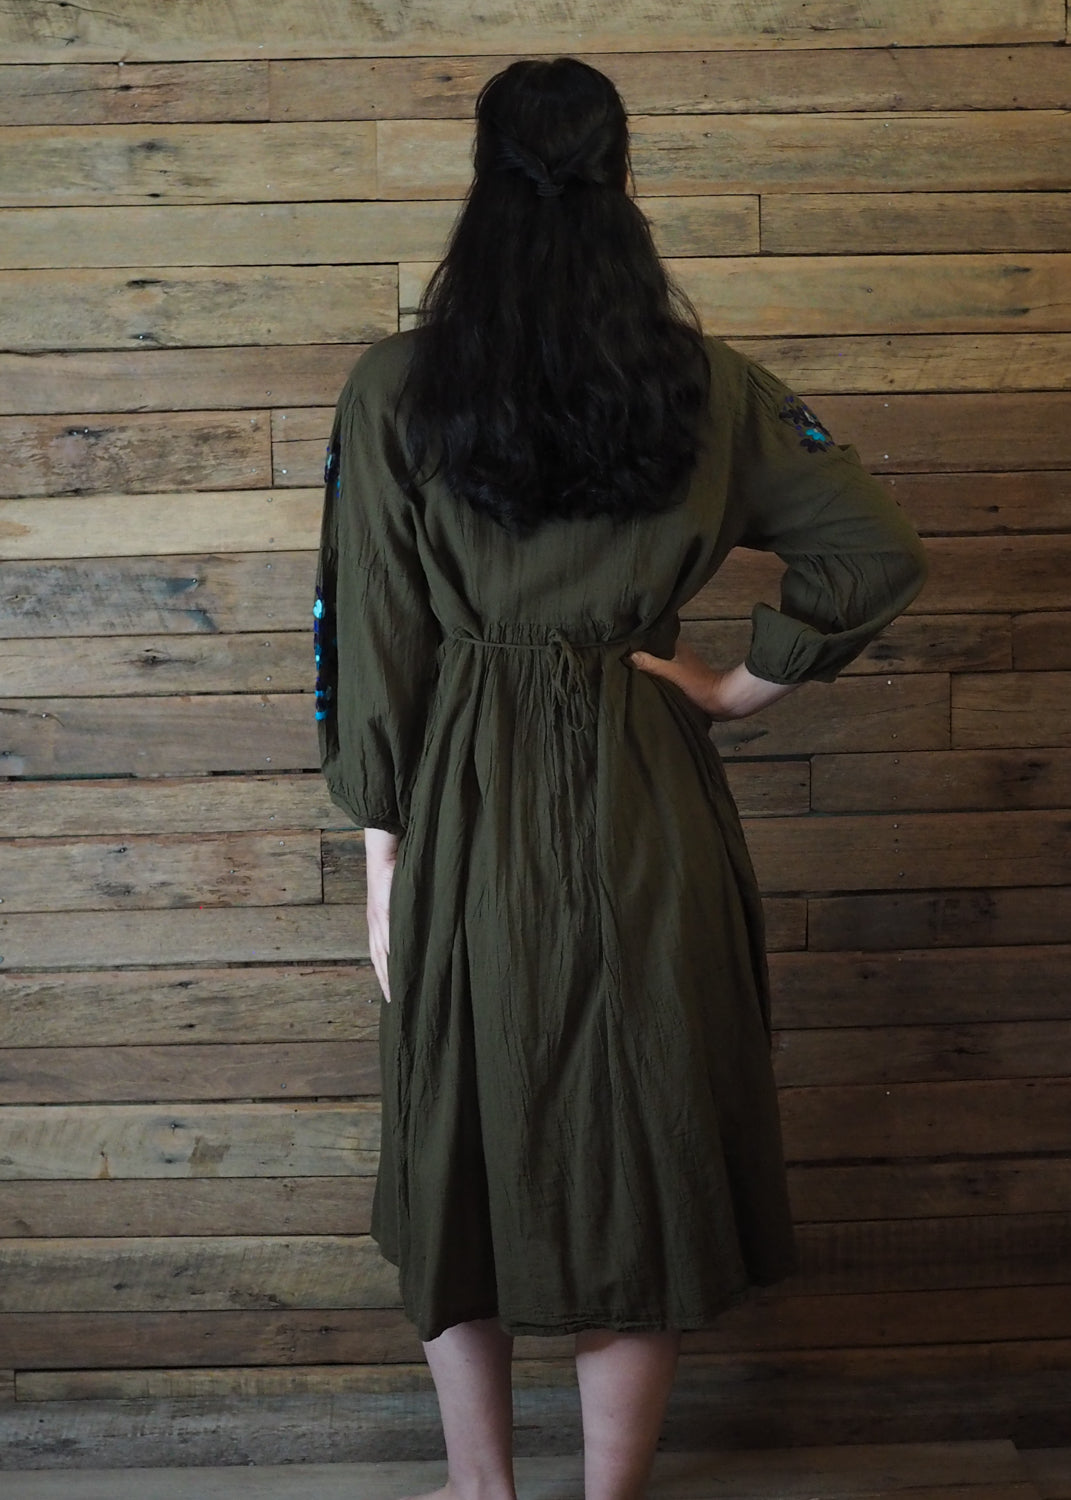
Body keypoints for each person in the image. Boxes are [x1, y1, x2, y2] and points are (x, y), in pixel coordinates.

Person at [313, 56, 927, 1500]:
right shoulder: (708, 387)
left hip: (462, 801)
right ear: (624, 179)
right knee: (644, 1131)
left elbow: (370, 633)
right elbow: (873, 550)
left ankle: (481, 1489)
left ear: (482, 183)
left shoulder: (396, 388)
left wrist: (382, 855)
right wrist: (732, 686)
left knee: (456, 1133)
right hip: (645, 790)